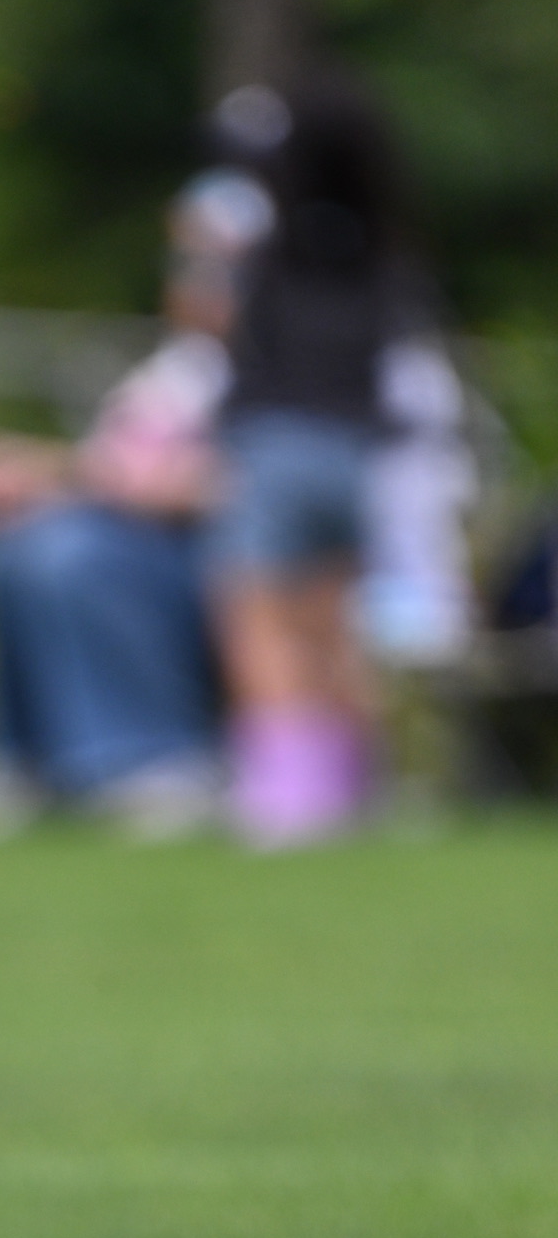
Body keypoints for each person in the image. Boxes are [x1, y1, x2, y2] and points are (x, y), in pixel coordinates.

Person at [0, 168, 271, 840]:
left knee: (70, 551)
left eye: (215, 270)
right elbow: (114, 468)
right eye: (186, 267)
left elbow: (262, 484)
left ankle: (157, 758)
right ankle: (25, 756)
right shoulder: (183, 371)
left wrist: (103, 480)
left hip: (251, 562)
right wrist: (23, 476)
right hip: (154, 544)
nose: (193, 287)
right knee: (9, 541)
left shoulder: (314, 367)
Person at [209, 75, 437, 846]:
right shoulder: (381, 249)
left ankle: (284, 799)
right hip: (356, 452)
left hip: (274, 447)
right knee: (335, 627)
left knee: (261, 620)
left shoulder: (278, 248)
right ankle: (358, 790)